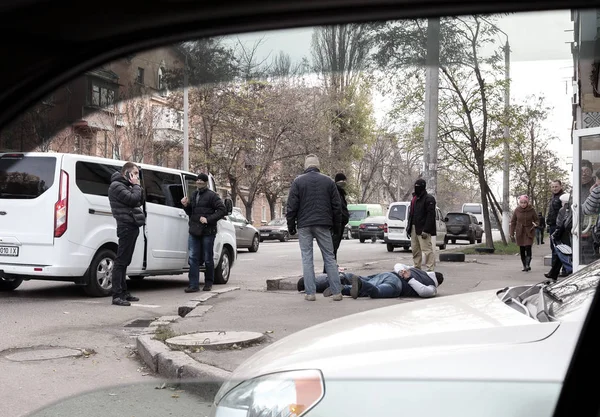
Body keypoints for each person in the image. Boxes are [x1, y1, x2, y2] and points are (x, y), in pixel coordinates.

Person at [287, 154, 343, 301]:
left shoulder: (298, 182)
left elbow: (292, 206)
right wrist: (337, 227)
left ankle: (310, 293)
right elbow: (337, 207)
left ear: (306, 166)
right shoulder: (329, 181)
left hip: (304, 224)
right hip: (323, 224)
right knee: (329, 257)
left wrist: (291, 225)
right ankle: (337, 292)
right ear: (318, 166)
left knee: (307, 258)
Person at [108, 162, 146, 306]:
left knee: (125, 261)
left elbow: (140, 200)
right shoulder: (116, 186)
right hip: (125, 225)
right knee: (121, 261)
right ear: (127, 173)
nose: (137, 176)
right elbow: (132, 199)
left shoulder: (127, 186)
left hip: (132, 224)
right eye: (135, 173)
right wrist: (136, 186)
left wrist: (137, 186)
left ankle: (123, 291)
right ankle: (117, 295)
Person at [181, 173, 227, 293]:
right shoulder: (194, 194)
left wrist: (208, 219)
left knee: (208, 258)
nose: (199, 182)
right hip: (194, 230)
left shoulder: (212, 196)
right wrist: (186, 206)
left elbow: (222, 210)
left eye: (202, 181)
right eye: (198, 180)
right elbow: (191, 212)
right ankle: (193, 285)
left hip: (208, 231)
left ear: (206, 183)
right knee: (193, 258)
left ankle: (208, 283)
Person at [298, 263, 443, 299]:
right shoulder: (431, 285)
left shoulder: (415, 269)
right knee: (376, 291)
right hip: (395, 285)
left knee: (361, 279)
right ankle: (350, 286)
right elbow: (424, 292)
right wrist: (408, 277)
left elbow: (398, 265)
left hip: (387, 274)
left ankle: (340, 283)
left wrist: (402, 271)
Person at [406, 178, 437, 271]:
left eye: (418, 187)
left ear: (423, 187)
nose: (416, 188)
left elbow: (431, 216)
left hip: (423, 229)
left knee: (427, 251)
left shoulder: (429, 199)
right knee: (415, 250)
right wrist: (409, 228)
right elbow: (411, 215)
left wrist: (426, 230)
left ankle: (430, 270)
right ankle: (417, 268)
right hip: (414, 228)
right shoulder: (414, 199)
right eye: (415, 186)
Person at [323, 172, 350, 273]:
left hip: (339, 223)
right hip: (336, 224)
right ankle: (329, 271)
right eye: (342, 180)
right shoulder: (335, 191)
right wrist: (337, 224)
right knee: (332, 248)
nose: (343, 183)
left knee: (334, 248)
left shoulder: (340, 192)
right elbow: (337, 209)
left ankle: (331, 268)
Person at [546, 193, 572, 280]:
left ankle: (567, 269)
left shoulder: (563, 209)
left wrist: (557, 232)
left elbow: (560, 223)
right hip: (566, 233)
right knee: (560, 252)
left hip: (564, 234)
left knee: (561, 252)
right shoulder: (569, 209)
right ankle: (554, 272)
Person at [510, 195, 539, 272]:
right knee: (522, 249)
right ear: (519, 203)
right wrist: (511, 233)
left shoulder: (532, 210)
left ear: (527, 203)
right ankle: (524, 265)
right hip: (520, 231)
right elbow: (513, 222)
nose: (523, 204)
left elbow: (537, 220)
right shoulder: (517, 210)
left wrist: (536, 224)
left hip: (529, 231)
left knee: (528, 247)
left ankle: (527, 264)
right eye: (521, 202)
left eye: (524, 203)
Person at [545, 180, 565, 277]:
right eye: (552, 187)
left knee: (559, 248)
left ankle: (557, 271)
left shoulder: (563, 197)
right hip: (552, 225)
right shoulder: (553, 197)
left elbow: (564, 213)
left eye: (556, 186)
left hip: (560, 226)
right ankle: (554, 271)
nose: (554, 188)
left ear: (561, 186)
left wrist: (560, 225)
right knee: (554, 248)